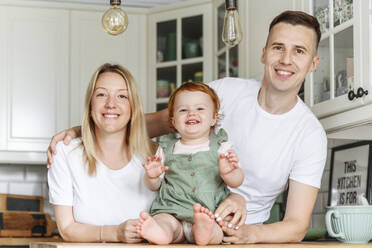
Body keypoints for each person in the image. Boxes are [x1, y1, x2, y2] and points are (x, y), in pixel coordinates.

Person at [47, 10, 327, 244]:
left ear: (313, 63)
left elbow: (296, 225)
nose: (286, 60)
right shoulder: (224, 91)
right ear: (264, 53)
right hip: (182, 220)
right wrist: (81, 129)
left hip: (240, 237)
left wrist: (248, 233)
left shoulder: (310, 135)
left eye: (299, 51)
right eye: (278, 47)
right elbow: (143, 123)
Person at [48, 63, 157, 243]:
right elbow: (66, 229)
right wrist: (115, 233)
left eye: (122, 96)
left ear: (133, 108)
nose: (111, 104)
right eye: (101, 94)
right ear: (90, 105)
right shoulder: (65, 153)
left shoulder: (154, 155)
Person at [137, 82, 244, 245]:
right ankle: (162, 233)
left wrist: (229, 173)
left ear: (214, 118)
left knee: (217, 229)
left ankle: (204, 231)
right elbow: (154, 186)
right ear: (173, 121)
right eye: (183, 110)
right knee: (164, 221)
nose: (191, 113)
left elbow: (237, 182)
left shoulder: (222, 146)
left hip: (210, 211)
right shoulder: (165, 148)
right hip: (172, 210)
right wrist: (152, 176)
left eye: (200, 109)